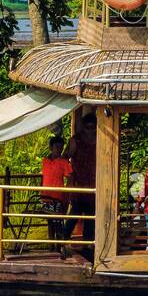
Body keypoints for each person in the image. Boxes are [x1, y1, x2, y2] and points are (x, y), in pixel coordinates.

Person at [63, 111, 98, 259]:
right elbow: (65, 157)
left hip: (94, 184)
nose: (90, 131)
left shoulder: (100, 139)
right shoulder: (75, 141)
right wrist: (70, 177)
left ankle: (88, 245)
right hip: (78, 183)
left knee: (91, 216)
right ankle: (62, 241)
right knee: (74, 214)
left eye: (93, 128)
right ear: (83, 127)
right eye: (88, 128)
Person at [40, 135, 72, 242]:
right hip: (46, 196)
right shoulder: (45, 161)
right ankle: (51, 244)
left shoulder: (63, 162)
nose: (59, 150)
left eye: (61, 148)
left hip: (58, 197)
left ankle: (58, 244)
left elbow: (70, 178)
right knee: (50, 221)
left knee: (57, 222)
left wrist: (66, 193)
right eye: (57, 147)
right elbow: (43, 177)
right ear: (51, 147)